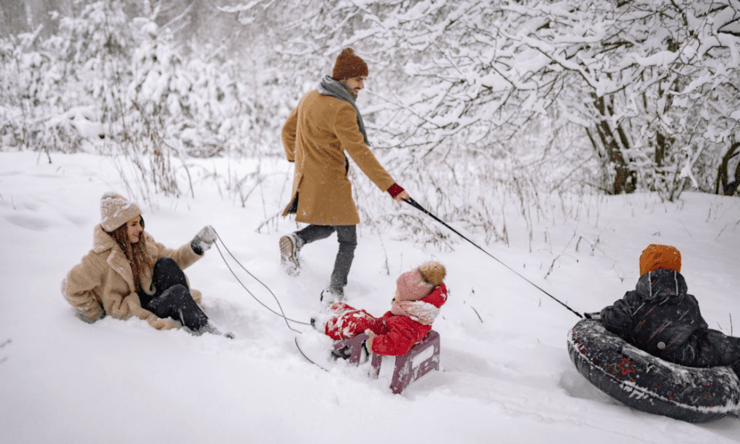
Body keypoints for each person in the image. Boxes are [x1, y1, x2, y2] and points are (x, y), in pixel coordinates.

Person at [279, 47, 410, 305]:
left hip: (310, 177)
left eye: (363, 80)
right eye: (357, 80)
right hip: (332, 181)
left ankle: (296, 240)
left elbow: (286, 132)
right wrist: (391, 187)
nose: (362, 85)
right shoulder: (342, 109)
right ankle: (334, 293)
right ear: (343, 78)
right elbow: (360, 153)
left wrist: (298, 161)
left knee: (330, 225)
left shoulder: (310, 97)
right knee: (347, 239)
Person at [61, 192, 232, 338]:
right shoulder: (99, 259)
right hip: (135, 309)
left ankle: (189, 313)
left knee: (166, 263)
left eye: (140, 222)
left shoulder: (142, 243)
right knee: (177, 293)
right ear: (119, 229)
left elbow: (175, 258)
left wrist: (197, 245)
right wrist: (96, 314)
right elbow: (70, 288)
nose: (140, 229)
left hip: (149, 295)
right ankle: (206, 331)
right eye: (133, 225)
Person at [598, 244, 740, 376]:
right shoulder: (689, 302)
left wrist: (604, 315)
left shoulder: (634, 299)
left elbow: (616, 320)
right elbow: (699, 329)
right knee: (718, 344)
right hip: (682, 356)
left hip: (642, 347)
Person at [312, 262, 447, 356]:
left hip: (379, 335)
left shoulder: (406, 323)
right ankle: (333, 309)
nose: (395, 294)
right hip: (383, 328)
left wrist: (373, 342)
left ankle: (326, 325)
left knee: (356, 322)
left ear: (410, 299)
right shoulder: (415, 314)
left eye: (399, 292)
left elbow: (398, 345)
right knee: (359, 315)